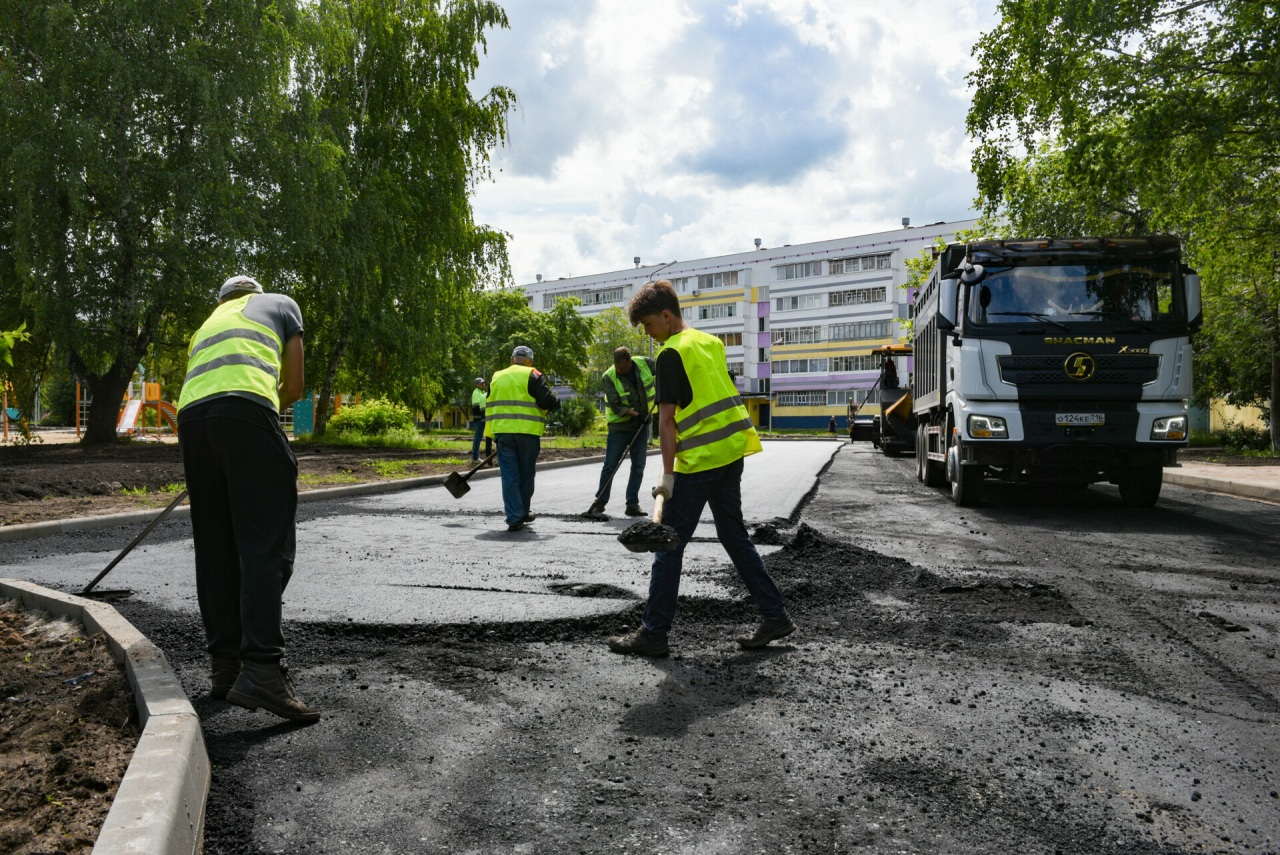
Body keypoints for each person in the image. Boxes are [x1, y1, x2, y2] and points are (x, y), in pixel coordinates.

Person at [607, 280, 795, 656]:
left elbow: (666, 421)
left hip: (701, 461)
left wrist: (668, 476)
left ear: (665, 315)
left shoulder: (670, 354)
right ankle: (775, 615)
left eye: (647, 325)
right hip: (730, 452)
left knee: (668, 545)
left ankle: (653, 633)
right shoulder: (710, 342)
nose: (646, 334)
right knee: (733, 535)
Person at [176, 274, 318, 722]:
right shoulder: (280, 304)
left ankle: (226, 666)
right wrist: (249, 424)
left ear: (222, 299)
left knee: (215, 547)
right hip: (247, 413)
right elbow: (293, 387)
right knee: (265, 545)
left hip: (193, 422)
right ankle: (262, 669)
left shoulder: (205, 324)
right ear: (254, 294)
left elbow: (207, 387)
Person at [484, 345, 561, 531]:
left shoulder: (496, 376)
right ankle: (524, 512)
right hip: (527, 433)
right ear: (530, 362)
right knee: (526, 475)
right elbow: (545, 400)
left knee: (509, 476)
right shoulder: (534, 374)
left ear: (512, 360)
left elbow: (490, 404)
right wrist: (556, 403)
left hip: (503, 433)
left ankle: (514, 518)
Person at [589, 346, 656, 517]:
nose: (619, 370)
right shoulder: (609, 376)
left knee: (638, 466)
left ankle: (632, 505)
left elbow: (663, 369)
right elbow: (616, 404)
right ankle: (599, 503)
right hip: (619, 428)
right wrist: (637, 415)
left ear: (630, 361)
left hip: (640, 427)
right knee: (610, 465)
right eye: (617, 367)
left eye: (623, 367)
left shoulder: (644, 364)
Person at [470, 377, 492, 463]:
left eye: (483, 383)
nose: (483, 384)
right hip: (480, 419)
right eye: (481, 383)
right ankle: (475, 458)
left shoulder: (481, 392)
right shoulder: (476, 393)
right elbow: (476, 407)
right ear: (476, 384)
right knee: (478, 438)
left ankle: (475, 457)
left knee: (478, 438)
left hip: (481, 419)